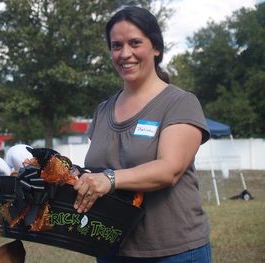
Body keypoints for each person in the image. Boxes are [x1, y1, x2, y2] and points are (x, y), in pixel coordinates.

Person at [73, 6, 212, 263]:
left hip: (173, 252)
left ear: (156, 48)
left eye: (135, 43)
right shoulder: (103, 110)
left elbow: (169, 170)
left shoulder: (179, 102)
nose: (125, 53)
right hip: (110, 247)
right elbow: (97, 174)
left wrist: (109, 179)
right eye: (116, 45)